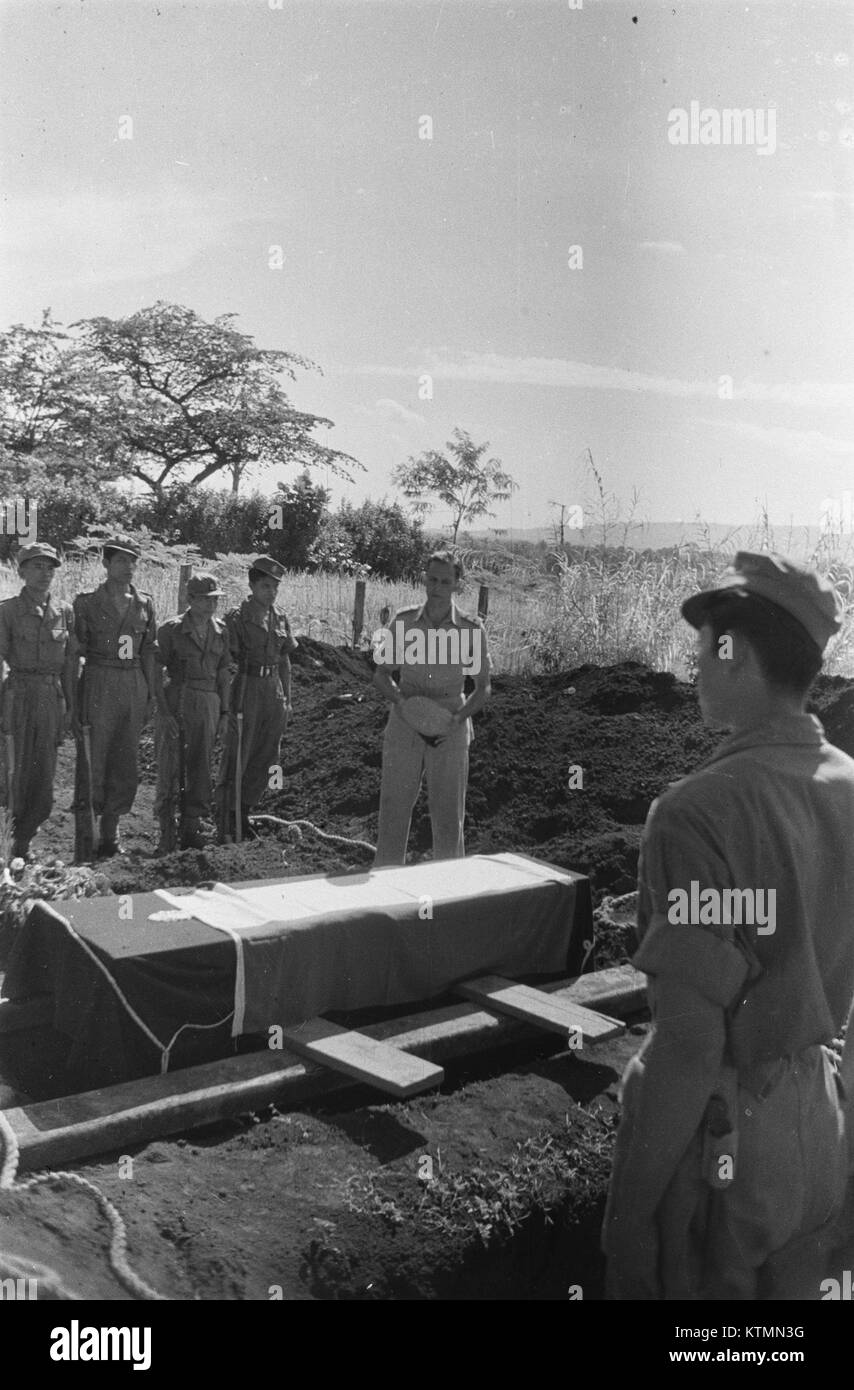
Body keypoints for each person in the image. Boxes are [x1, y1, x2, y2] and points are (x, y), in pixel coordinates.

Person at [602, 551, 854, 1301]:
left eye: (703, 646)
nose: (694, 666)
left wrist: (627, 1223)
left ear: (734, 653)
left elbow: (689, 1044)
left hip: (730, 1147)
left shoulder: (696, 813)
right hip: (825, 1126)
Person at [373, 550, 491, 867]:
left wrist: (457, 719)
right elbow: (381, 674)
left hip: (450, 724)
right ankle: (385, 879)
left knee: (448, 815)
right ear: (424, 580)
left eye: (445, 581)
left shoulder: (470, 630)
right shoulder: (404, 622)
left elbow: (482, 687)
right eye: (432, 580)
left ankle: (449, 886)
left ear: (457, 585)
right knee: (394, 808)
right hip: (405, 723)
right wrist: (403, 704)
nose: (437, 587)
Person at [72, 536, 156, 857]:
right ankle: (86, 836)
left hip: (132, 682)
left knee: (125, 760)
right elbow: (75, 653)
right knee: (95, 756)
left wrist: (150, 695)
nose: (128, 566)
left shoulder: (144, 604)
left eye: (133, 561)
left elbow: (148, 652)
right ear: (106, 564)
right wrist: (76, 697)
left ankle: (111, 834)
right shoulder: (86, 603)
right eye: (121, 560)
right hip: (99, 679)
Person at [0, 542, 78, 860]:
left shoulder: (63, 611)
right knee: (13, 768)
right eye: (37, 567)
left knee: (43, 771)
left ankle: (25, 840)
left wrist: (70, 704)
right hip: (18, 695)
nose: (45, 573)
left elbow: (69, 661)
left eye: (50, 568)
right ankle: (7, 840)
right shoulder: (7, 611)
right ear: (21, 572)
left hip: (50, 697)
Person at [214, 555, 297, 841]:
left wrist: (287, 699)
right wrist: (226, 702)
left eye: (275, 587)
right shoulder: (237, 618)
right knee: (240, 753)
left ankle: (245, 810)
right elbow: (225, 662)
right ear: (252, 586)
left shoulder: (280, 617)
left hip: (273, 691)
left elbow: (285, 661)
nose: (271, 593)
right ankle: (226, 818)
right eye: (265, 586)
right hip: (247, 688)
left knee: (268, 755)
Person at [153, 573, 233, 853]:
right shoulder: (171, 630)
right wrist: (164, 712)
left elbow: (224, 674)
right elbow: (156, 670)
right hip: (179, 699)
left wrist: (224, 712)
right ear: (190, 599)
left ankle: (191, 827)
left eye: (215, 600)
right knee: (170, 765)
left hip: (209, 701)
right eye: (205, 600)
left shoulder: (221, 631)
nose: (212, 605)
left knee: (201, 766)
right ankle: (166, 830)